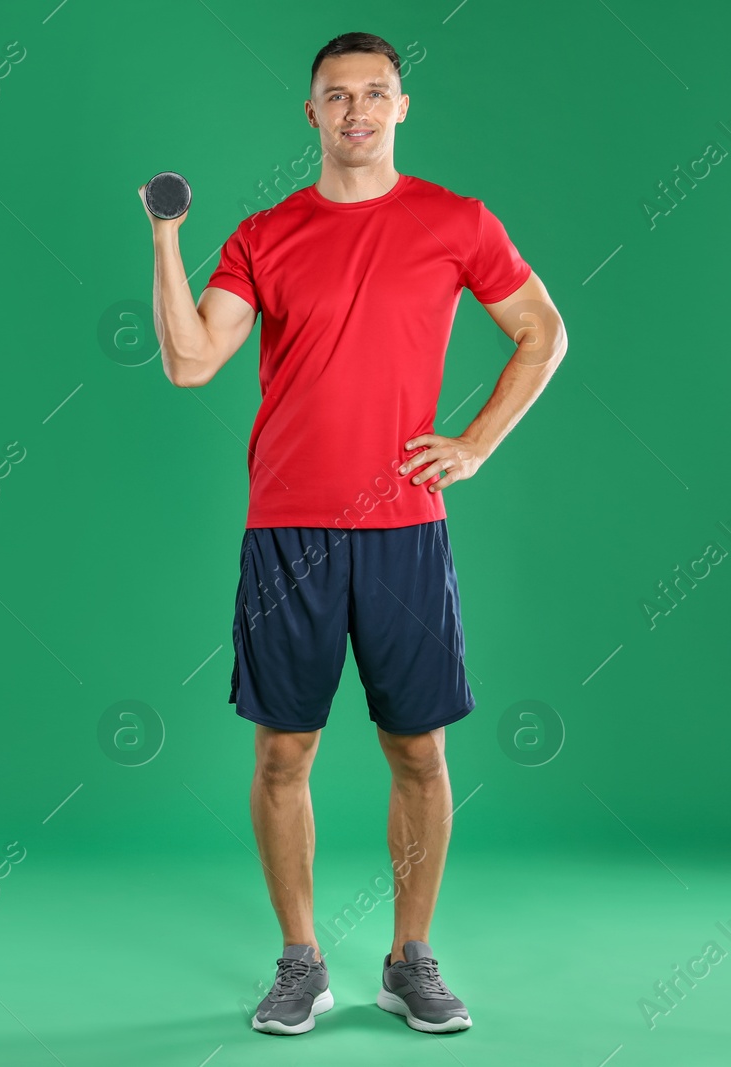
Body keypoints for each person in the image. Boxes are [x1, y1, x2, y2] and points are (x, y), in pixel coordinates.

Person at [139, 31, 568, 1035]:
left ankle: (410, 959)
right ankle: (300, 961)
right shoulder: (263, 233)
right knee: (282, 750)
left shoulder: (454, 221)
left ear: (401, 107)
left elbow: (540, 328)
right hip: (285, 529)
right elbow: (192, 359)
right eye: (337, 96)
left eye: (375, 93)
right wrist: (165, 237)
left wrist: (475, 442)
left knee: (416, 748)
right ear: (312, 115)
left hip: (403, 530)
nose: (357, 111)